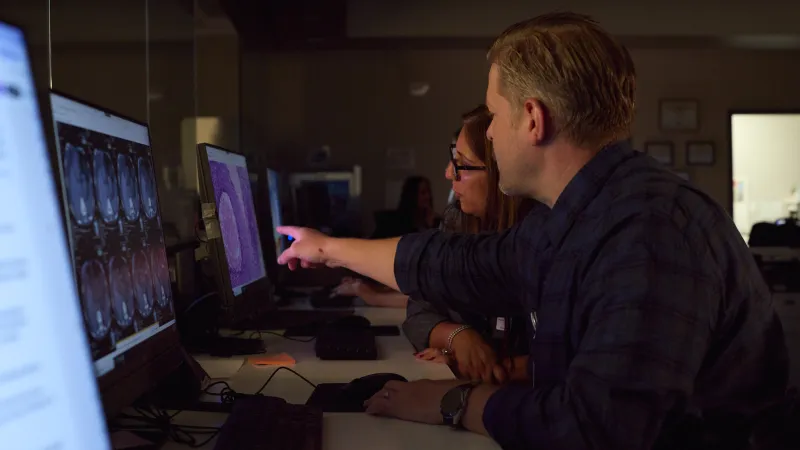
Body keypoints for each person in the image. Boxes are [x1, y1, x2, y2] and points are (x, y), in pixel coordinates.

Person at [275, 12, 788, 450]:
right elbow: (467, 265)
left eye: (494, 115)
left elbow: (594, 431)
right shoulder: (580, 213)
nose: (491, 133)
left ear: (532, 118)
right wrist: (329, 248)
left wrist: (457, 401)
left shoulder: (648, 234)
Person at [336, 106, 533, 384]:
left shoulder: (540, 242)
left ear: (502, 172)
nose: (448, 173)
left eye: (461, 164)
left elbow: (564, 363)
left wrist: (484, 365)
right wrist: (458, 337)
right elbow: (419, 309)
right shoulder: (458, 223)